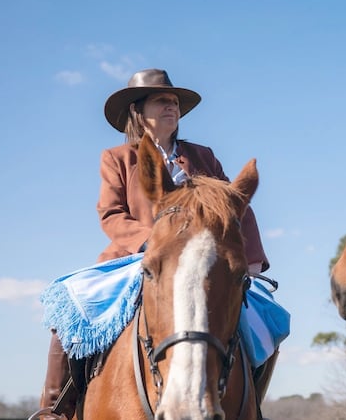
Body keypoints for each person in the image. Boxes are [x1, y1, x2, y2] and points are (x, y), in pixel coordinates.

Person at [37, 69, 279, 418]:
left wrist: (251, 261)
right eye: (162, 101)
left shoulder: (203, 156)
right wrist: (154, 243)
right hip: (135, 258)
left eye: (175, 103)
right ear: (138, 110)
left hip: (202, 258)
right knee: (70, 308)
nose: (172, 107)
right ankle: (54, 409)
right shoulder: (117, 158)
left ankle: (251, 402)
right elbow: (111, 213)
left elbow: (236, 205)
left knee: (267, 319)